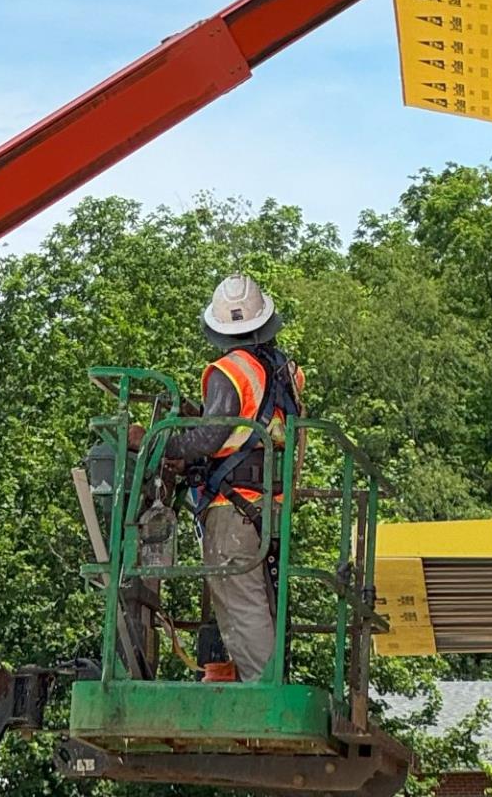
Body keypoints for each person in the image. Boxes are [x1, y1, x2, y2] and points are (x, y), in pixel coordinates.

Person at [156, 273, 303, 684]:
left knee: (238, 596)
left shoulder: (231, 371)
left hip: (233, 506)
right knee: (261, 597)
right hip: (269, 502)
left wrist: (160, 443)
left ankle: (263, 689)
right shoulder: (285, 372)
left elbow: (209, 438)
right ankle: (269, 681)